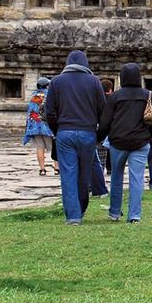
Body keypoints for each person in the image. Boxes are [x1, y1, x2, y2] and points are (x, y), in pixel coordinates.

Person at [44, 49, 105, 224]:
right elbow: (103, 110)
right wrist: (98, 134)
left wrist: (57, 130)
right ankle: (82, 206)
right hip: (87, 132)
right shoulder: (94, 81)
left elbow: (50, 112)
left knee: (68, 174)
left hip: (65, 131)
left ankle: (73, 215)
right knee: (84, 174)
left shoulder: (56, 82)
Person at [98, 63, 152, 223]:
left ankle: (114, 212)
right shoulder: (148, 95)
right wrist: (148, 135)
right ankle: (134, 215)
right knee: (137, 179)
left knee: (116, 177)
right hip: (140, 142)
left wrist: (98, 138)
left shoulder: (115, 97)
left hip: (118, 142)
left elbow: (105, 123)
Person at [22, 77, 54, 175]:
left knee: (40, 147)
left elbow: (30, 111)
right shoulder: (50, 95)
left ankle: (42, 169)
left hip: (34, 125)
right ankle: (57, 168)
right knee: (55, 147)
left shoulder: (33, 96)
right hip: (47, 125)